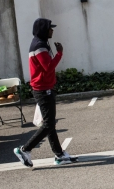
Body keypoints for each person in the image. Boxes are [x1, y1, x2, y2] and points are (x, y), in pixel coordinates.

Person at [14, 18, 76, 167]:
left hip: (45, 87)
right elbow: (48, 67)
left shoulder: (41, 43)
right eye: (50, 28)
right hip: (43, 89)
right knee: (48, 124)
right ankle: (25, 149)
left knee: (50, 124)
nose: (52, 30)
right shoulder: (39, 45)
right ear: (43, 30)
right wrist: (60, 53)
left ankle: (59, 155)